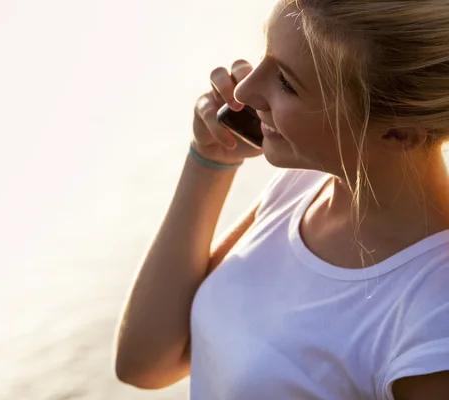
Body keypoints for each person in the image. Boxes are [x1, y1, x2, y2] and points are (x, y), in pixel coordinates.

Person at [113, 0, 449, 398]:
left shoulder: (433, 319)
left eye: (286, 82)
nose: (244, 88)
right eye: (265, 57)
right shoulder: (302, 187)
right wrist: (210, 159)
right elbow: (146, 363)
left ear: (399, 132)